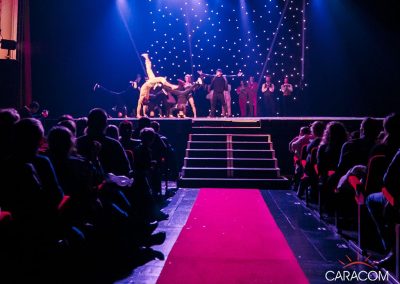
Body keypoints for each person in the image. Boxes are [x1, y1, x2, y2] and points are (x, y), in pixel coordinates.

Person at [76, 108, 131, 176]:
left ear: (88, 123)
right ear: (105, 124)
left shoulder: (78, 143)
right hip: (110, 186)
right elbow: (126, 171)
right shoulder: (114, 145)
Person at [136, 53, 179, 118]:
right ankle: (146, 57)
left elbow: (139, 105)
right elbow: (145, 102)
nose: (147, 99)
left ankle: (171, 86)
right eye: (147, 100)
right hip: (151, 83)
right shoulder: (145, 95)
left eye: (146, 100)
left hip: (149, 83)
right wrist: (156, 85)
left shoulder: (142, 96)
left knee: (160, 78)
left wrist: (138, 115)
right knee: (149, 69)